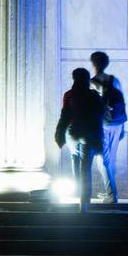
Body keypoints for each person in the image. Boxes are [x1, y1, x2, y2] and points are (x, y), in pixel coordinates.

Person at [54, 66, 106, 212]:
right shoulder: (93, 95)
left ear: (74, 78)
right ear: (87, 79)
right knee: (86, 169)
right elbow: (101, 113)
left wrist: (59, 133)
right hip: (87, 133)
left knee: (74, 159)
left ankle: (77, 190)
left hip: (72, 132)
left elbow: (64, 115)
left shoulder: (69, 94)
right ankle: (84, 204)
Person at [90, 51, 127, 204]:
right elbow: (122, 103)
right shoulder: (114, 80)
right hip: (118, 123)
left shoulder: (92, 82)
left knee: (101, 160)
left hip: (103, 124)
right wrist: (123, 127)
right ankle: (109, 192)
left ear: (93, 64)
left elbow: (93, 108)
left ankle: (112, 195)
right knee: (110, 159)